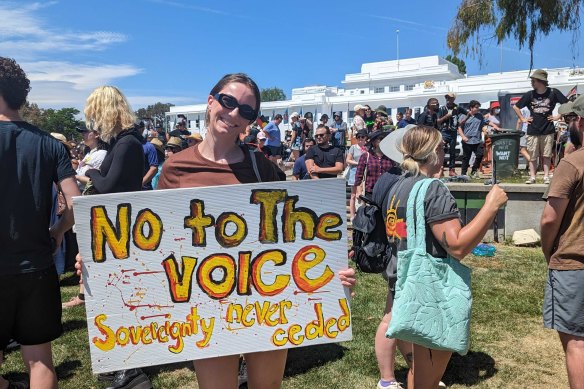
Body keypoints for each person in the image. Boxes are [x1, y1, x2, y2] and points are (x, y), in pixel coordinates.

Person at [153, 73, 356, 389]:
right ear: (211, 102)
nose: (234, 114)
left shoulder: (262, 166)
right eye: (228, 102)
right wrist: (105, 263)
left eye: (246, 111)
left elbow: (292, 231)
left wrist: (330, 276)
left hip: (266, 299)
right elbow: (154, 240)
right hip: (207, 303)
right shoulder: (176, 168)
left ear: (250, 122)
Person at [375, 124, 507, 389]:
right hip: (430, 289)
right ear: (434, 152)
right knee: (427, 373)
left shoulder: (398, 187)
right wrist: (491, 206)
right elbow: (457, 246)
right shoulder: (433, 189)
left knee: (420, 363)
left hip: (402, 276)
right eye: (444, 148)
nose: (446, 152)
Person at [0, 56, 80, 389]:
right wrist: (59, 230)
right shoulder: (50, 144)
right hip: (37, 265)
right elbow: (78, 203)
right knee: (40, 361)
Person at [82, 85, 150, 389]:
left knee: (123, 296)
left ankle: (130, 366)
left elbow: (108, 187)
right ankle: (124, 361)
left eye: (96, 115)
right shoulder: (125, 142)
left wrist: (89, 174)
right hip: (118, 227)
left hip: (123, 228)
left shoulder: (127, 144)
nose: (94, 123)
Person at [540, 94, 584, 389]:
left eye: (570, 120)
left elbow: (549, 220)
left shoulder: (572, 163)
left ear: (580, 122)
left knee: (577, 344)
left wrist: (549, 252)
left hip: (574, 264)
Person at [513, 69, 568, 184]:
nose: (531, 83)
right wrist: (523, 119)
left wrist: (559, 116)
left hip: (548, 129)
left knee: (547, 154)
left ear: (540, 81)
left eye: (533, 80)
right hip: (532, 129)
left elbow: (567, 104)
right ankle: (532, 177)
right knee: (533, 155)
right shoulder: (530, 94)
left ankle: (546, 177)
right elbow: (516, 107)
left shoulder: (553, 92)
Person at [354, 131, 393, 198]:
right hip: (370, 192)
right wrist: (359, 191)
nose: (384, 141)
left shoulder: (390, 157)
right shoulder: (366, 156)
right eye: (381, 139)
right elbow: (358, 175)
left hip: (387, 192)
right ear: (373, 142)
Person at [458, 100, 487, 178]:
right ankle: (463, 174)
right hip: (467, 140)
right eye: (476, 107)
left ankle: (473, 171)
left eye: (478, 108)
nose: (478, 109)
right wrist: (463, 137)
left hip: (477, 140)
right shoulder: (464, 116)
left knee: (480, 154)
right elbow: (459, 127)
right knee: (466, 157)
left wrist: (494, 127)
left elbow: (485, 123)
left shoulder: (480, 116)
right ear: (471, 108)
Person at [438, 93, 463, 176]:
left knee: (452, 152)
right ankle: (440, 169)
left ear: (453, 99)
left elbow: (468, 113)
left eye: (450, 98)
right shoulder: (442, 108)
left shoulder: (457, 108)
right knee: (442, 150)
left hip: (453, 132)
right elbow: (438, 121)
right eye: (447, 98)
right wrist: (446, 116)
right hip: (444, 132)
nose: (448, 99)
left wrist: (462, 122)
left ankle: (452, 170)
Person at [346, 130, 368, 220]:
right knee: (354, 194)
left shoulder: (366, 149)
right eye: (358, 137)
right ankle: (352, 215)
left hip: (364, 172)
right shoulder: (353, 147)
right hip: (354, 171)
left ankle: (361, 214)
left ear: (365, 138)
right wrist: (358, 163)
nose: (360, 139)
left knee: (362, 194)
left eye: (362, 137)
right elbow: (348, 160)